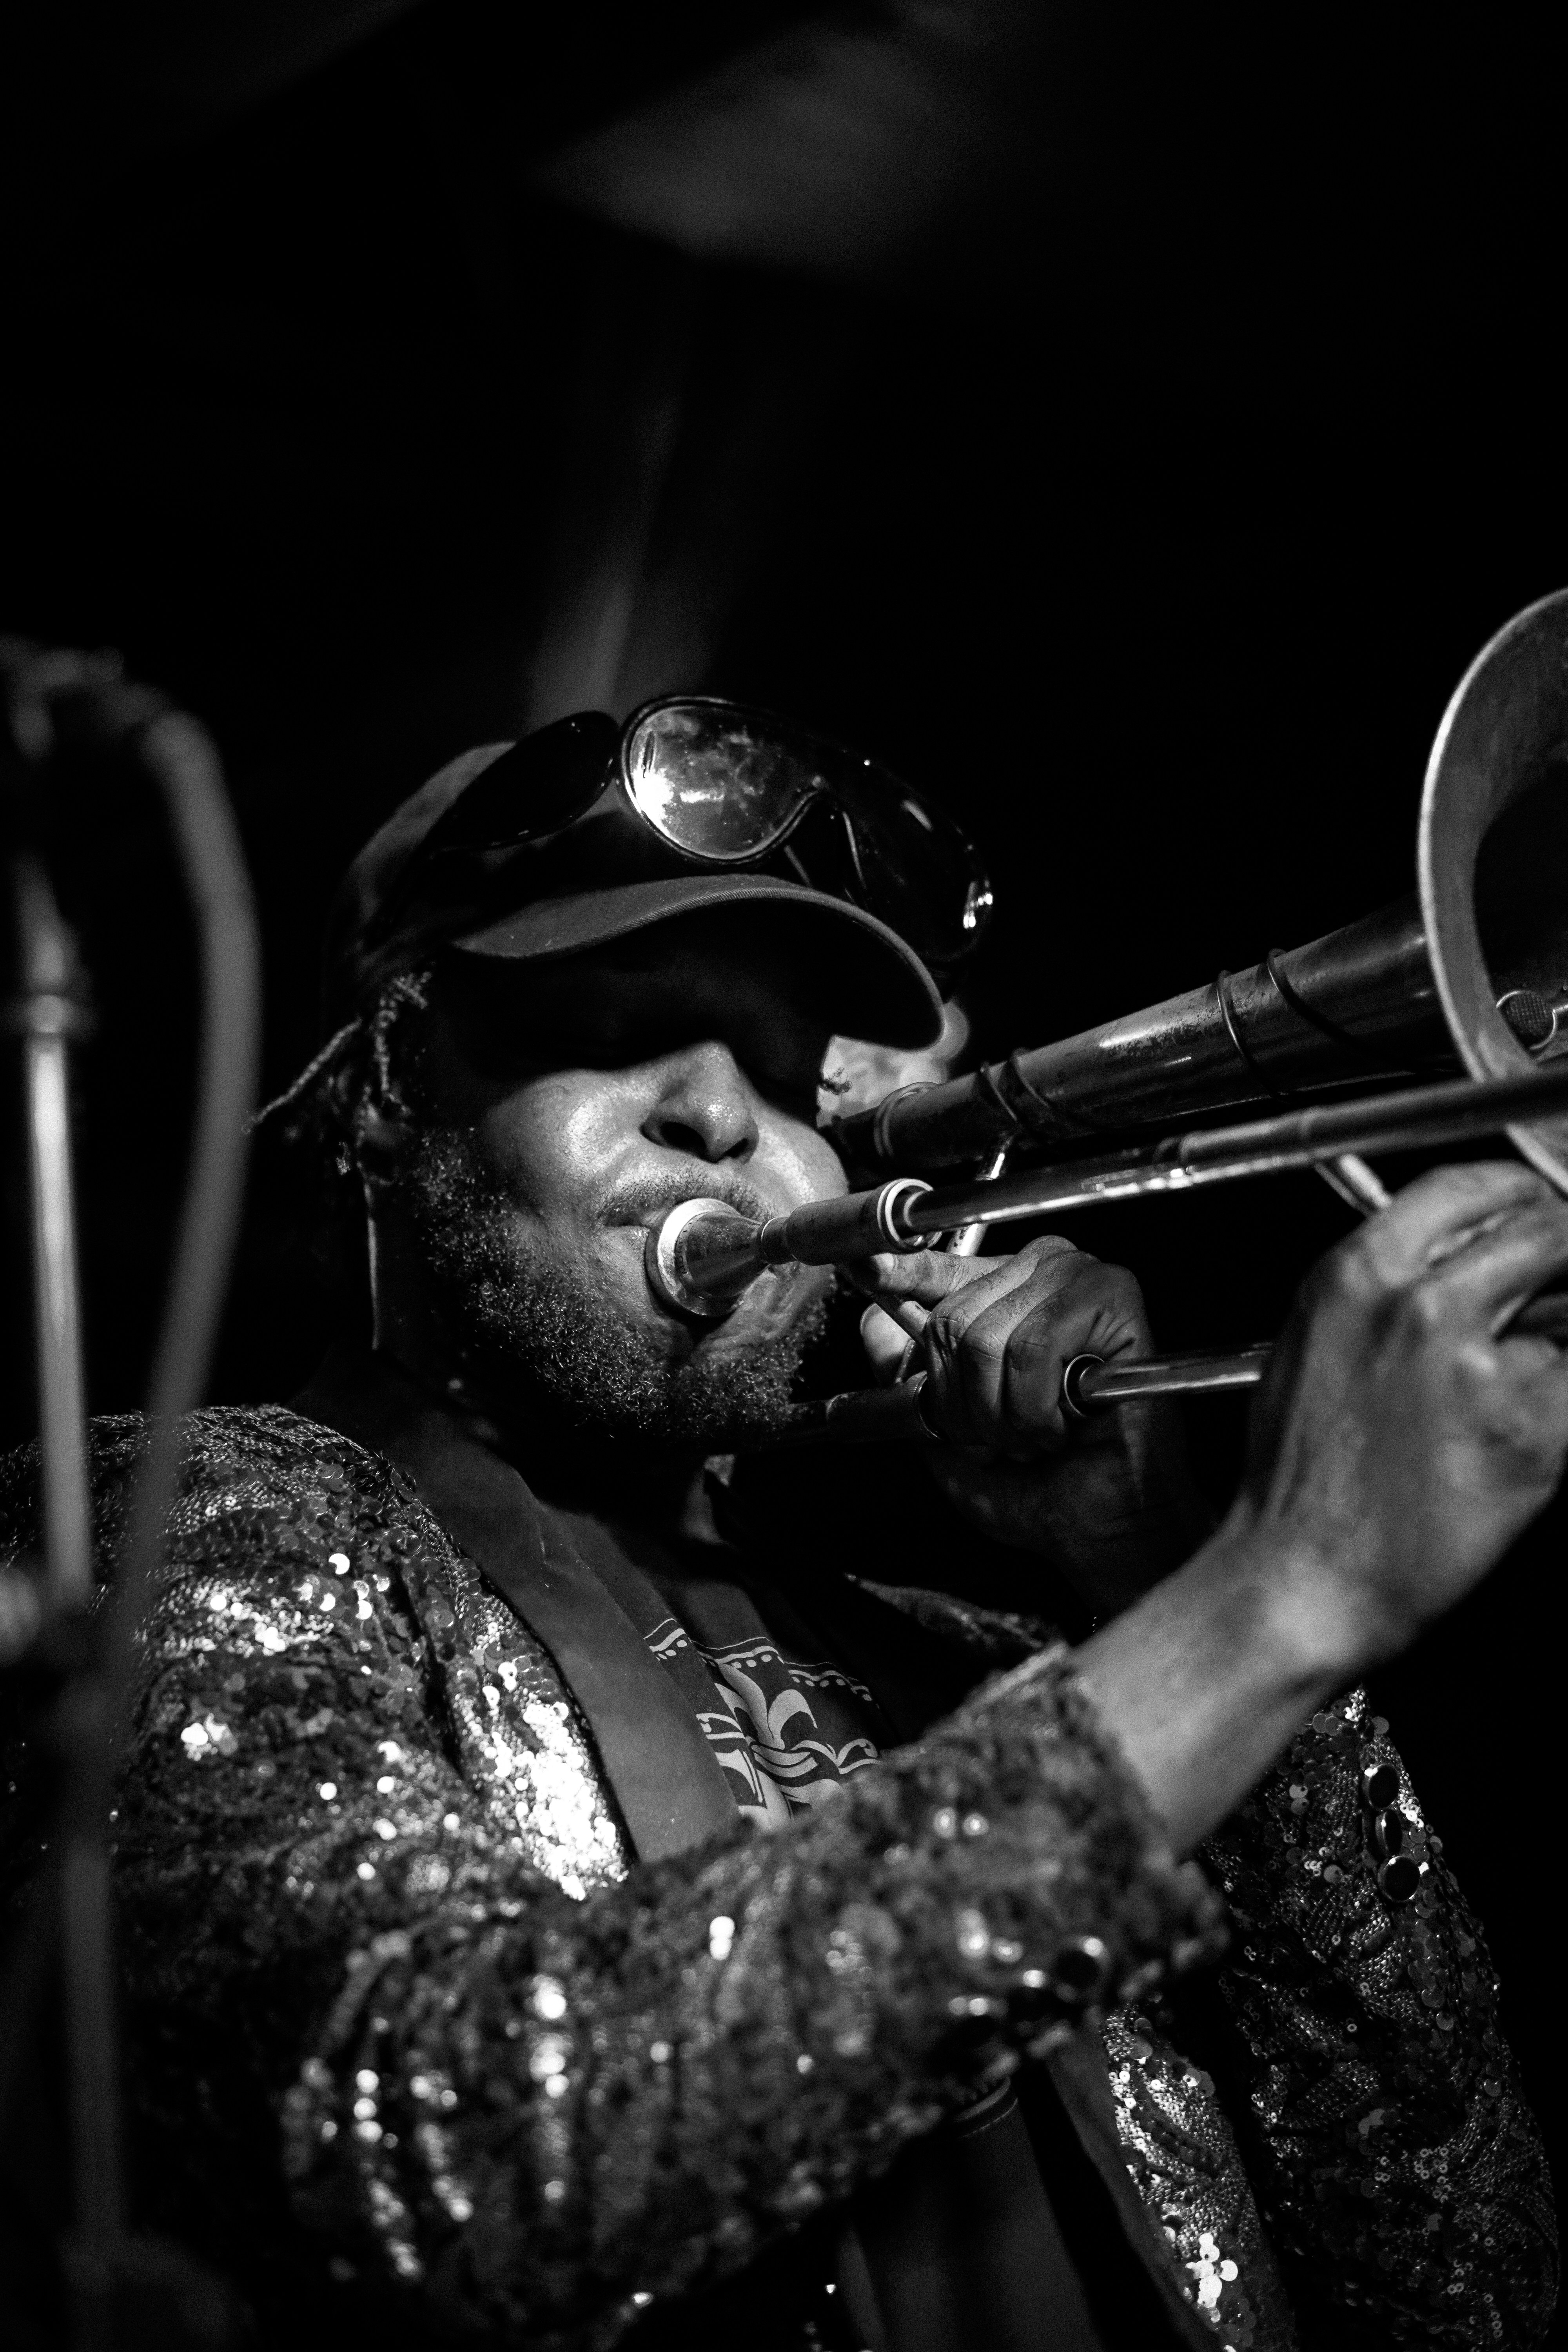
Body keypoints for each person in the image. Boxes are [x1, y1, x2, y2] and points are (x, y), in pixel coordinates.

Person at [0, 699, 1561, 2352]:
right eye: (621, 1024)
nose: (724, 1118)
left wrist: (1153, 1569)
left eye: (790, 1071)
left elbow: (1461, 2276)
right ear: (393, 1079)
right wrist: (1273, 1595)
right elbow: (451, 2167)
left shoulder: (996, 1663)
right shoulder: (175, 1521)